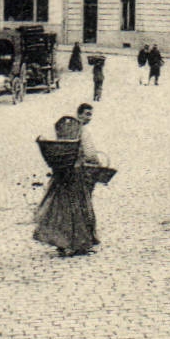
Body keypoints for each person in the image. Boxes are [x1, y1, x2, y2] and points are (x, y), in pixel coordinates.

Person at [34, 104, 103, 257]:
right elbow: (90, 153)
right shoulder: (82, 131)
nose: (88, 118)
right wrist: (97, 165)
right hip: (77, 174)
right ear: (79, 114)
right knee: (79, 208)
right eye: (86, 114)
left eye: (90, 115)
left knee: (63, 207)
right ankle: (80, 243)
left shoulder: (65, 131)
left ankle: (62, 242)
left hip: (63, 174)